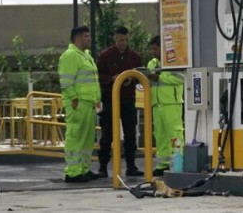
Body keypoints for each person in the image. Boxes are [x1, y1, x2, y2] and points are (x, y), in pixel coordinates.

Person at [97, 26, 143, 177]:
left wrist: (131, 80)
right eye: (121, 40)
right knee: (107, 135)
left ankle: (131, 166)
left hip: (128, 100)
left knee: (130, 134)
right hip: (110, 99)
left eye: (126, 40)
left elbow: (140, 77)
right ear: (115, 38)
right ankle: (103, 167)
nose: (123, 43)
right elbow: (99, 76)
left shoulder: (134, 56)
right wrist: (112, 79)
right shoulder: (105, 56)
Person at [58, 25, 101, 183]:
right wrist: (74, 99)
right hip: (78, 103)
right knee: (76, 137)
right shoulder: (71, 55)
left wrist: (97, 99)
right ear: (77, 38)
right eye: (86, 36)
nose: (89, 39)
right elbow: (66, 82)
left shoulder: (86, 55)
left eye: (89, 36)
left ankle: (83, 169)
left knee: (87, 139)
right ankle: (73, 172)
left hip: (88, 103)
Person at [146, 35, 185, 176]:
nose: (153, 52)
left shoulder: (174, 61)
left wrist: (159, 78)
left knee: (175, 134)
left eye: (155, 49)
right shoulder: (152, 64)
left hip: (171, 104)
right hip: (157, 104)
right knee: (160, 135)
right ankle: (163, 164)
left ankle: (179, 164)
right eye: (152, 49)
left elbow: (180, 78)